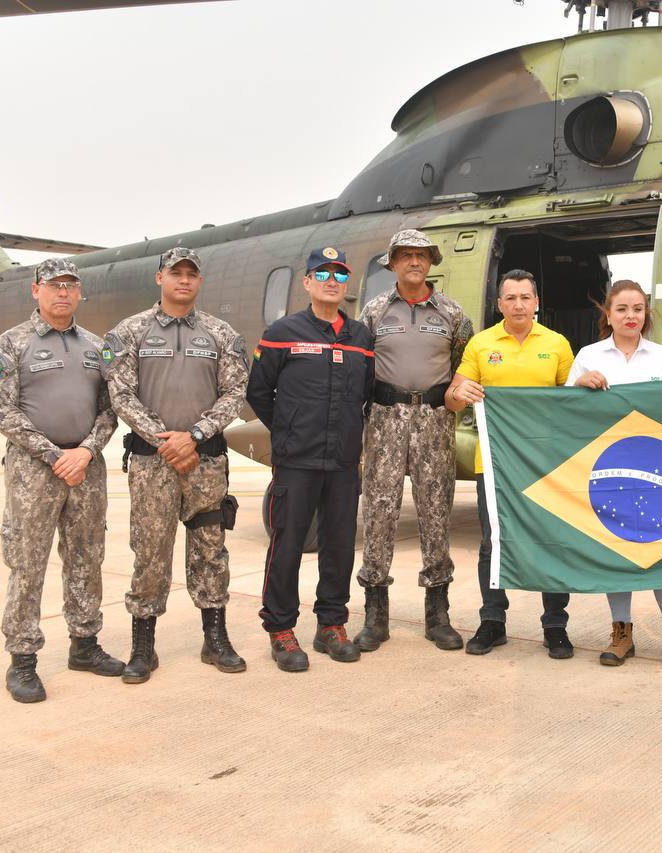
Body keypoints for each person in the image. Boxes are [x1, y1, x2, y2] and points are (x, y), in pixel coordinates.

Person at [104, 247, 250, 684]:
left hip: (205, 461)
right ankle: (143, 646)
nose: (183, 280)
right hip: (153, 463)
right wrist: (165, 440)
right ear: (159, 278)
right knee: (150, 552)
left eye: (191, 274)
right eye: (175, 273)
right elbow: (120, 394)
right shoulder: (129, 332)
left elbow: (234, 391)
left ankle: (215, 638)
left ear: (199, 281)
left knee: (211, 549)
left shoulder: (221, 334)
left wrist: (196, 435)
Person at [0, 258, 122, 703]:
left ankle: (84, 644)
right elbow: (3, 412)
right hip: (32, 469)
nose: (63, 292)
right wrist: (52, 453)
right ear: (36, 291)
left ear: (79, 293)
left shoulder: (96, 347)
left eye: (70, 285)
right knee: (28, 562)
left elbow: (111, 408)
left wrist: (85, 451)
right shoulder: (12, 343)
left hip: (85, 466)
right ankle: (22, 659)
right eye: (53, 285)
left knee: (87, 556)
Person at [246, 247, 375, 672]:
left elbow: (367, 394)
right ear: (307, 282)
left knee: (339, 545)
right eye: (323, 273)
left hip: (342, 461)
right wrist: (287, 430)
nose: (331, 281)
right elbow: (259, 393)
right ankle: (281, 629)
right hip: (296, 460)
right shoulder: (282, 332)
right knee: (288, 545)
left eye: (340, 275)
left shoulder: (360, 338)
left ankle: (331, 625)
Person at [446, 269, 575, 659]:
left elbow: (575, 402)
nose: (518, 304)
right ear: (499, 304)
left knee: (551, 541)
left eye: (525, 297)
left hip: (547, 465)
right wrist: (459, 392)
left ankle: (555, 624)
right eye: (511, 298)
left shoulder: (557, 345)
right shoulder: (481, 345)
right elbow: (452, 398)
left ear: (537, 303)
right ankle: (492, 621)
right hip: (496, 463)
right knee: (493, 543)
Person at [355, 230, 474, 652]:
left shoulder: (452, 314)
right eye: (405, 255)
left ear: (431, 262)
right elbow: (361, 370)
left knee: (436, 512)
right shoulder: (373, 312)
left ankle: (438, 613)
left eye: (421, 256)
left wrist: (452, 401)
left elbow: (465, 365)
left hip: (434, 420)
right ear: (392, 263)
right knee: (379, 512)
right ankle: (375, 613)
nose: (414, 262)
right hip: (385, 420)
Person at [565, 279, 662, 670]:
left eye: (637, 308)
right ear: (608, 314)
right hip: (608, 471)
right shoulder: (588, 355)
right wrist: (578, 386)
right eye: (622, 309)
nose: (630, 316)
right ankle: (622, 632)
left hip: (658, 470)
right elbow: (563, 413)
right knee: (617, 550)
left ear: (646, 313)